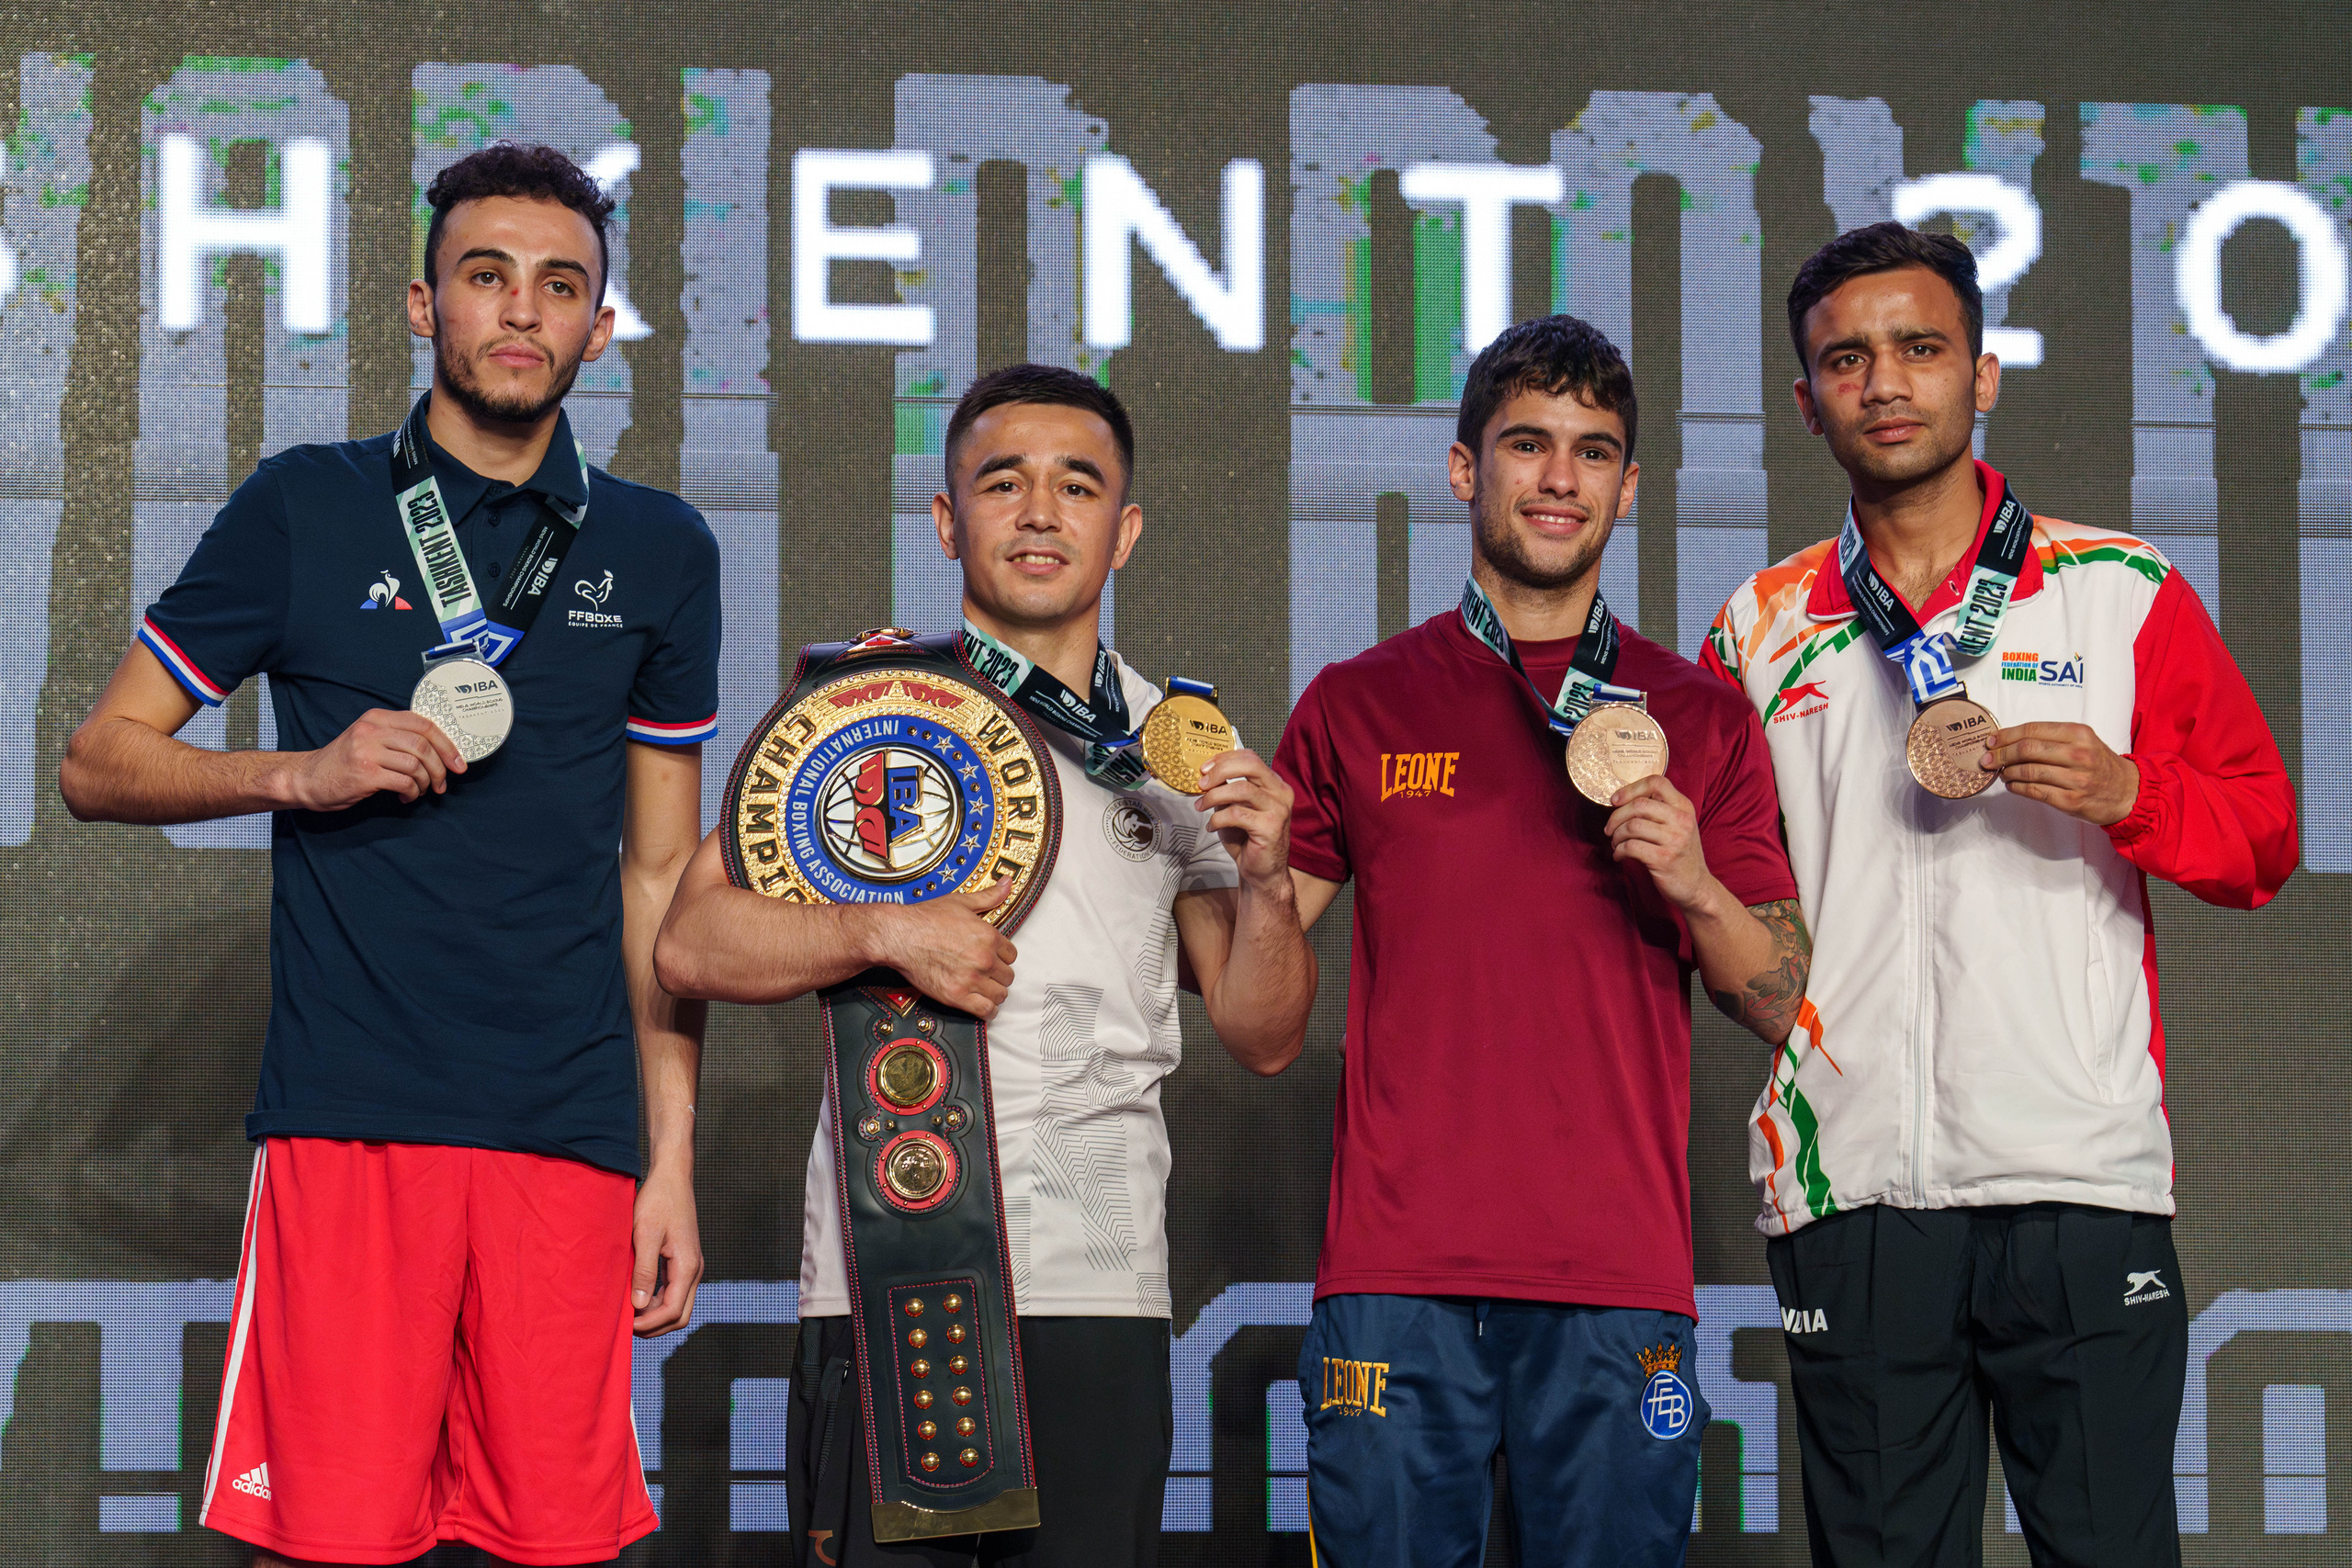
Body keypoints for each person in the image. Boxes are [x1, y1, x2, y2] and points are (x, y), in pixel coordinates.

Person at [59, 141, 718, 1565]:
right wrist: (304, 768)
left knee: (558, 1548)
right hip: (353, 1123)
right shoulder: (307, 503)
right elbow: (98, 760)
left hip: (570, 1138)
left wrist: (670, 1162)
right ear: (426, 304)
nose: (522, 313)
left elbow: (659, 886)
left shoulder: (662, 547)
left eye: (560, 286)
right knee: (343, 1546)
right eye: (487, 278)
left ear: (600, 328)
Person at [1702, 220, 2298, 1566]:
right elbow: (1739, 903)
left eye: (1921, 348)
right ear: (1807, 403)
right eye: (1846, 360)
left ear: (1984, 376)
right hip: (1850, 1189)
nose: (1886, 382)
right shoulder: (1759, 626)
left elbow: (2263, 839)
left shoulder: (2118, 594)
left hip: (2076, 1181)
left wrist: (2130, 793)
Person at [655, 363, 1317, 1566]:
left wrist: (1269, 883)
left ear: (1124, 531)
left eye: (1078, 485)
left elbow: (1265, 1033)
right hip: (885, 1269)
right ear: (949, 519)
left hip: (1097, 1285)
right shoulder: (862, 717)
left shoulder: (1181, 749)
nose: (1039, 511)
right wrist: (880, 929)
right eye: (1001, 482)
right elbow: (691, 942)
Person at [1271, 315, 1812, 1567]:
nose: (1559, 478)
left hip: (1615, 1280)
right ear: (1468, 471)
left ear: (1627, 486)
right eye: (1528, 444)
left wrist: (1692, 881)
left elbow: (1782, 999)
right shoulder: (1358, 701)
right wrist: (1245, 878)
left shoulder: (1701, 716)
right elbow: (1253, 1003)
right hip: (1397, 1278)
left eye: (1592, 451)